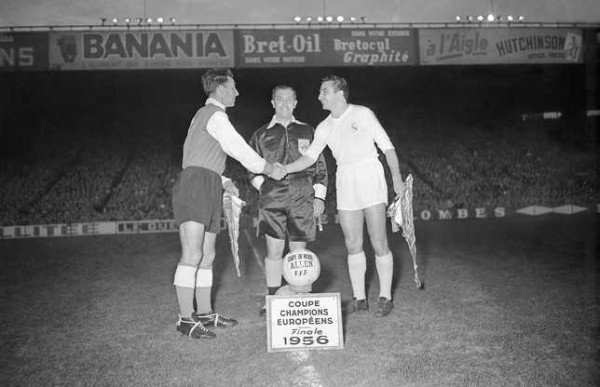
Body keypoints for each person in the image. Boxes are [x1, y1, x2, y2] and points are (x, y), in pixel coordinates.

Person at [171, 68, 285, 339]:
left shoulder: (205, 116)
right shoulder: (215, 115)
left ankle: (206, 312)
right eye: (233, 87)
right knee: (193, 254)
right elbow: (238, 148)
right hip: (196, 184)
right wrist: (268, 167)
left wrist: (222, 181)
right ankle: (185, 319)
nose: (236, 92)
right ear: (220, 88)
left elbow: (200, 154)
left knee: (208, 255)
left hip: (208, 182)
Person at [279, 75, 405, 317]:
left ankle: (386, 296)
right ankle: (359, 298)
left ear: (339, 93)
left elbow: (387, 147)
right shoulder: (325, 126)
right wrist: (285, 168)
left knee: (378, 240)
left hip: (370, 175)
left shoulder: (363, 113)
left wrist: (396, 179)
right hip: (346, 179)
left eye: (324, 91)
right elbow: (310, 157)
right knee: (352, 243)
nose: (319, 96)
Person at [248, 85, 328, 316]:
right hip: (273, 198)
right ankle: (272, 298)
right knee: (274, 249)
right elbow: (251, 169)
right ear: (272, 103)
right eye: (279, 100)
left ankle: (301, 297)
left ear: (295, 103)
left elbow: (320, 167)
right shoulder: (261, 134)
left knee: (298, 251)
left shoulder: (308, 131)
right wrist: (265, 188)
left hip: (302, 195)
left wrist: (319, 197)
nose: (284, 104)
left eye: (289, 100)